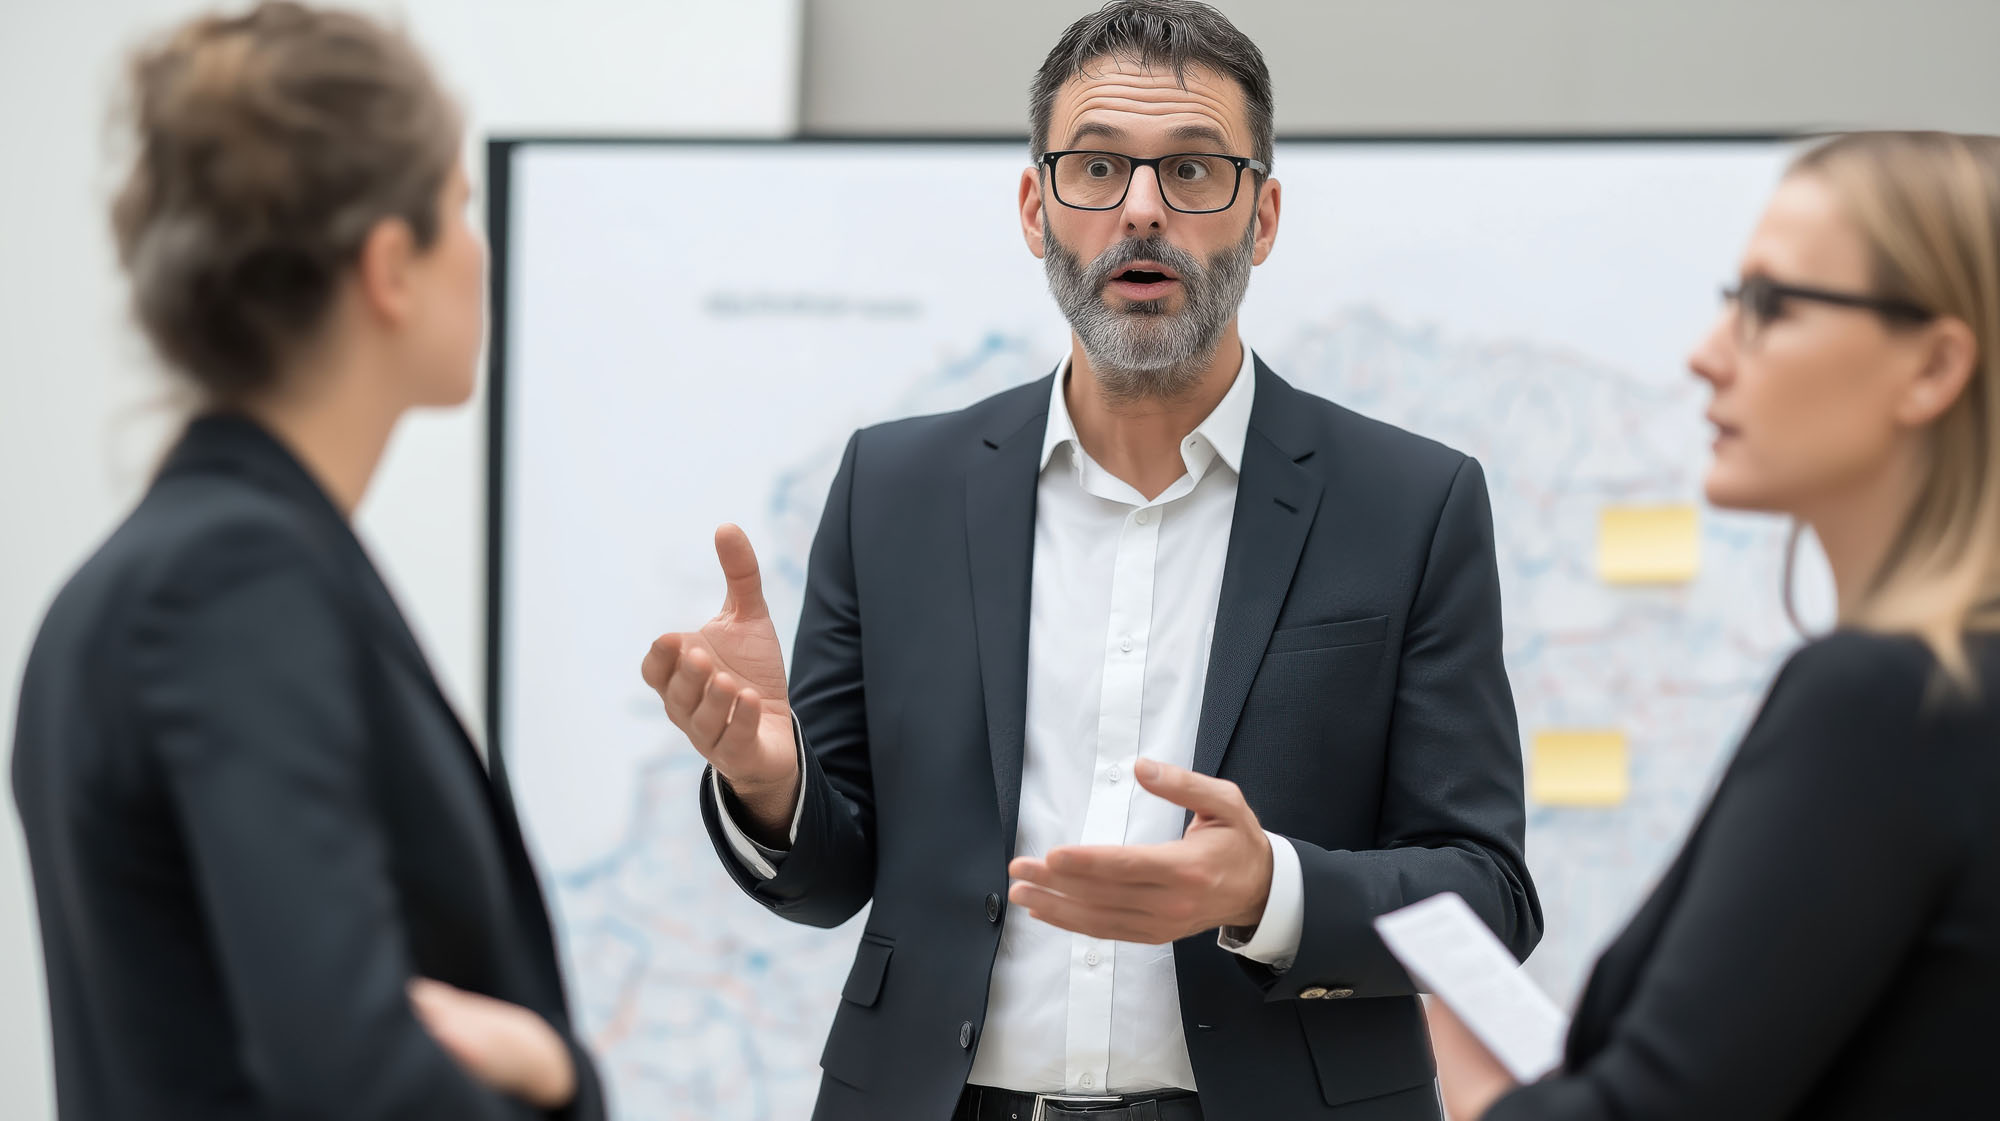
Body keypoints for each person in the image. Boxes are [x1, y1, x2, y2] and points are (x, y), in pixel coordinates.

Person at [642, 2, 1540, 1118]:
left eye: (1195, 171)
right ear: (1035, 206)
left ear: (1261, 216)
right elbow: (833, 874)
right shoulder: (894, 490)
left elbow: (1485, 895)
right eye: (1098, 167)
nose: (1143, 211)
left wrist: (1269, 887)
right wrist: (772, 786)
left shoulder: (1409, 504)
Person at [8, 5, 604, 1119]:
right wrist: (560, 1078)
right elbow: (356, 1077)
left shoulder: (180, 567)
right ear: (389, 266)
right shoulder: (230, 583)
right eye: (460, 208)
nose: (478, 247)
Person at [1428, 130, 2000, 1121]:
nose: (1705, 354)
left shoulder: (1887, 700)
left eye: (1771, 306)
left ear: (1932, 366)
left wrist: (1463, 1073)